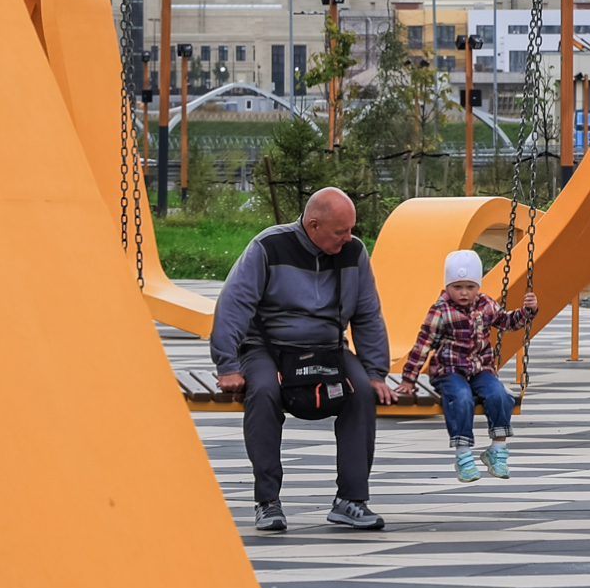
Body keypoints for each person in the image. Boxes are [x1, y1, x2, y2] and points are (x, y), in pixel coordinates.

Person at [213, 187, 397, 532]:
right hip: (267, 347)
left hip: (329, 346)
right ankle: (268, 501)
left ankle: (351, 500)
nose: (349, 237)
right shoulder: (267, 247)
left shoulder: (354, 252)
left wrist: (375, 372)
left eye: (351, 229)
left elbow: (368, 315)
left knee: (361, 390)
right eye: (341, 231)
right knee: (263, 391)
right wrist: (227, 365)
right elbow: (233, 304)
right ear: (314, 225)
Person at [401, 251, 538, 482]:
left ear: (478, 286)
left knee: (500, 395)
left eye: (470, 287)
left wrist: (528, 312)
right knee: (461, 398)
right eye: (457, 287)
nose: (464, 293)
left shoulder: (486, 304)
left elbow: (507, 322)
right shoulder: (441, 310)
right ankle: (463, 454)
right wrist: (408, 378)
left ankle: (497, 450)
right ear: (447, 287)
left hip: (480, 369)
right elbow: (423, 344)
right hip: (449, 370)